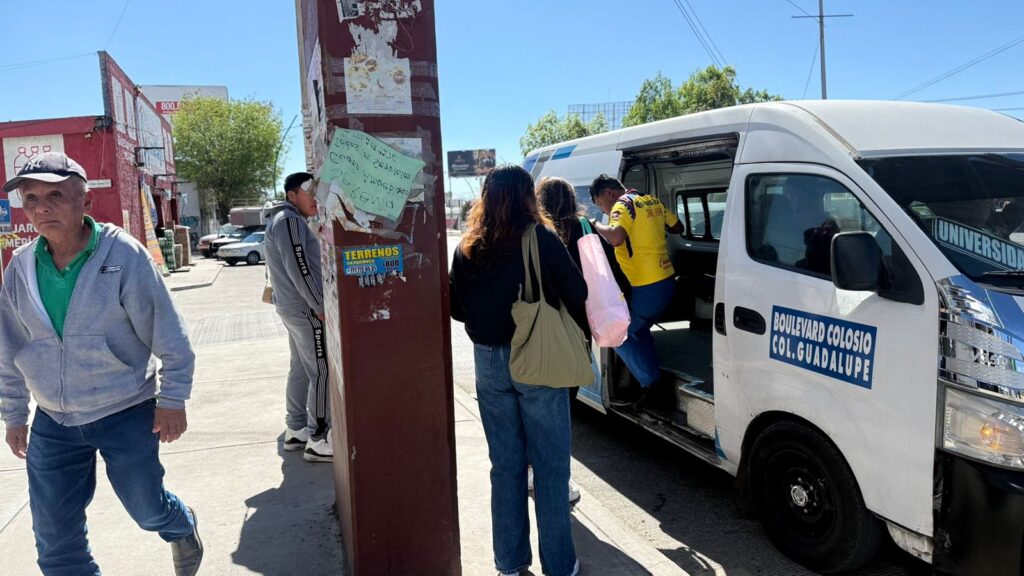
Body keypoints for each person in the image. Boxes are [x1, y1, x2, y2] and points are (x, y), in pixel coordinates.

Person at [0, 152, 203, 576]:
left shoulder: (123, 255)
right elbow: (9, 346)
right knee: (56, 543)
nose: (41, 208)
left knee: (148, 509)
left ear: (85, 201)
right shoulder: (21, 267)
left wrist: (173, 398)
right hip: (54, 422)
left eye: (56, 195)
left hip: (125, 411)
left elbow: (169, 332)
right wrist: (14, 414)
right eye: (31, 198)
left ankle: (180, 524)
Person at [450, 165, 586, 576]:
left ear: (486, 198)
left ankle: (509, 562)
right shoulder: (540, 237)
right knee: (550, 466)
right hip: (538, 356)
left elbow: (456, 308)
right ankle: (559, 564)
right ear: (529, 196)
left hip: (488, 360)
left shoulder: (468, 246)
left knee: (506, 465)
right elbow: (577, 292)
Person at [589, 174, 684, 405]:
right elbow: (677, 227)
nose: (603, 210)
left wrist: (595, 224)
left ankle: (654, 386)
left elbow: (616, 238)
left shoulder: (622, 205)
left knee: (618, 334)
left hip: (647, 285)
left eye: (600, 204)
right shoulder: (651, 200)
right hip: (666, 279)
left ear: (609, 193)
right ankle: (650, 379)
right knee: (638, 331)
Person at [264, 172, 333, 462]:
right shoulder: (289, 221)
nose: (315, 198)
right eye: (309, 192)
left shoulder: (283, 220)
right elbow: (300, 268)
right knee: (321, 370)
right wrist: (319, 305)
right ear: (292, 196)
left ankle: (297, 429)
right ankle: (319, 438)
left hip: (292, 307)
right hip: (305, 309)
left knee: (301, 368)